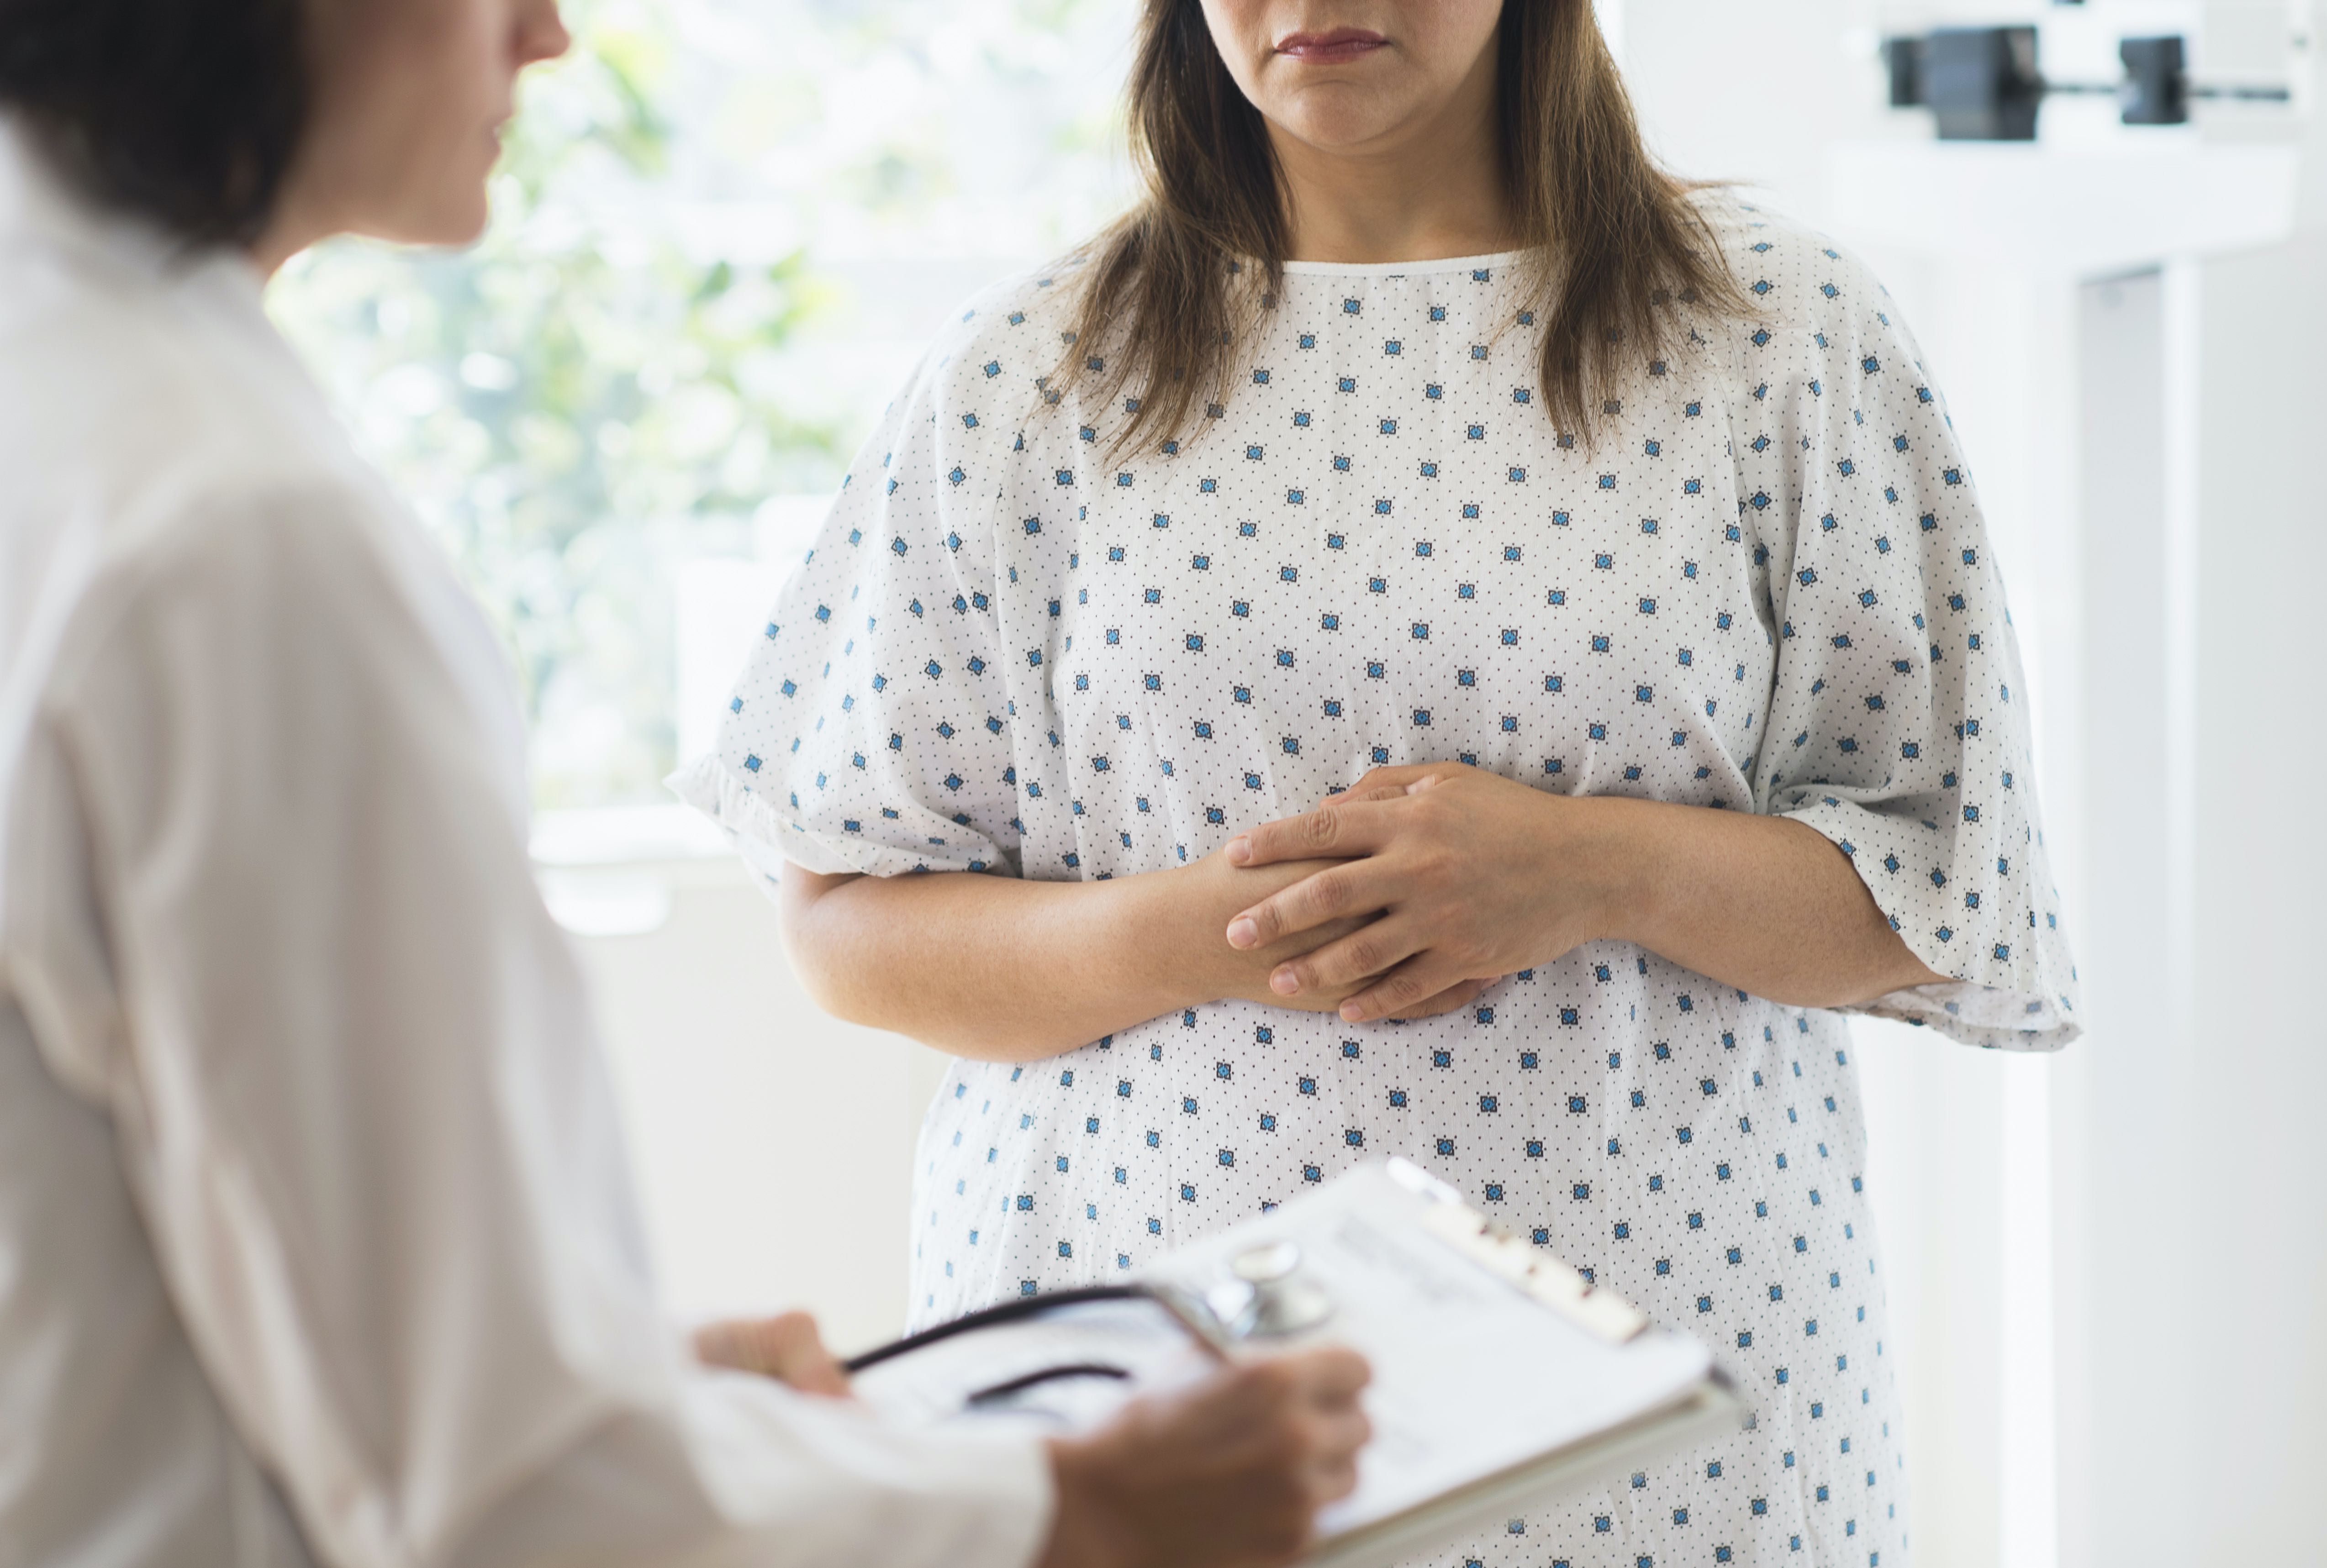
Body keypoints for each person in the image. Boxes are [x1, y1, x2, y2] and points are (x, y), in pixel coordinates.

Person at [680, 0, 2083, 1563]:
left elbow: (1942, 892)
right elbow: (845, 916)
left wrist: (1591, 866)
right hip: (1156, 1415)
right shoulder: (1031, 370)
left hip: (1682, 1411)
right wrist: (1216, 929)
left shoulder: (1779, 329)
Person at [0, 0, 1375, 1565]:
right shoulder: (233, 541)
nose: (548, 35)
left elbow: (169, 1273)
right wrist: (1076, 1508)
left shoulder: (79, 418)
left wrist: (632, 1393)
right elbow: (508, 1492)